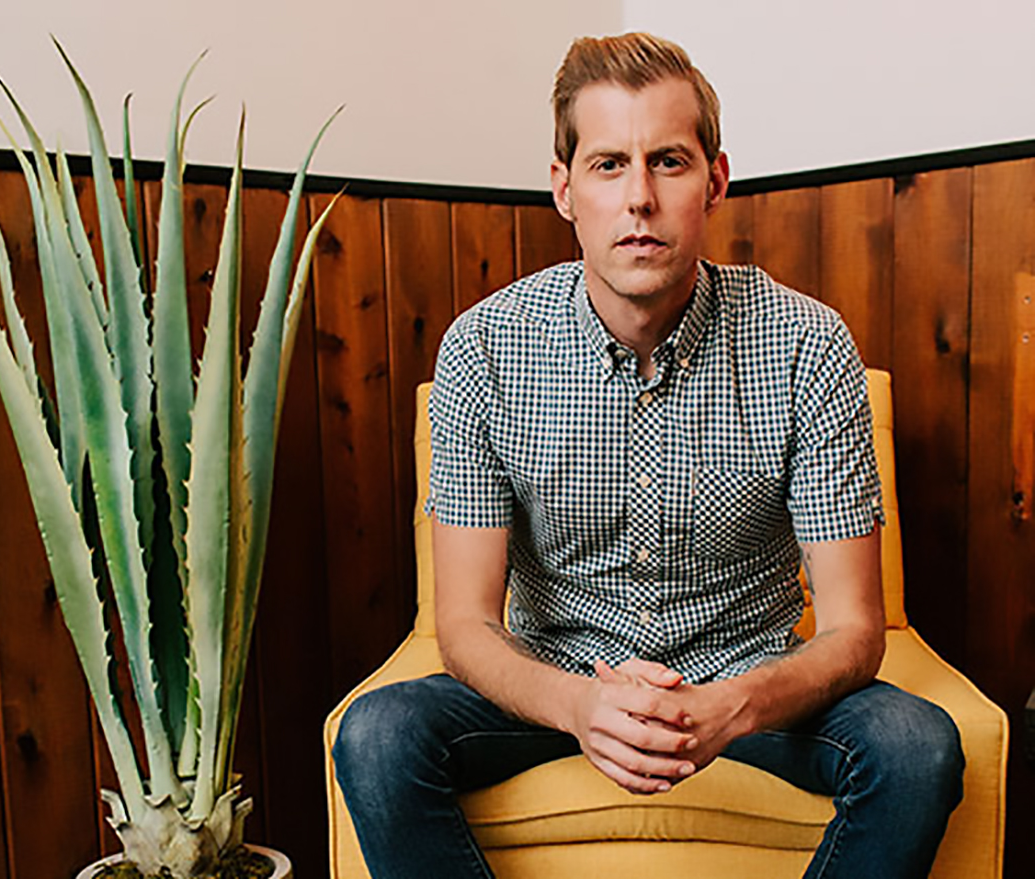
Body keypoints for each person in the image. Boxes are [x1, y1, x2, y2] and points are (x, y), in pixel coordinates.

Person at [333, 32, 964, 879]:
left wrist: (729, 705)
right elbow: (467, 625)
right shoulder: (483, 348)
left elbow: (854, 630)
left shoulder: (805, 344)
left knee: (918, 747)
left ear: (716, 179)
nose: (639, 198)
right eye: (607, 165)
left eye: (668, 161)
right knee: (376, 734)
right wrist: (584, 705)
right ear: (563, 188)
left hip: (748, 678)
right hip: (555, 680)